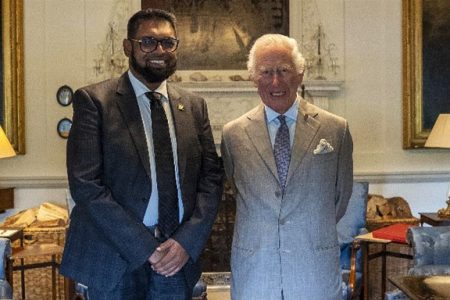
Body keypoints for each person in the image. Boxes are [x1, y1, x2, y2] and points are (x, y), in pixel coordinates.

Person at [60, 8, 222, 299]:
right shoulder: (94, 101)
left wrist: (186, 243)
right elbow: (86, 185)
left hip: (176, 258)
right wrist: (146, 247)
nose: (158, 50)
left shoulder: (194, 106)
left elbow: (211, 179)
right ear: (128, 47)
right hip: (114, 258)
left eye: (167, 43)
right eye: (148, 42)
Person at [221, 34, 353, 300]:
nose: (275, 81)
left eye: (284, 70)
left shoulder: (335, 129)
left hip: (314, 268)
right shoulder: (232, 134)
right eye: (266, 72)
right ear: (252, 77)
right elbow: (235, 191)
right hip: (255, 269)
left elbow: (340, 197)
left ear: (300, 74)